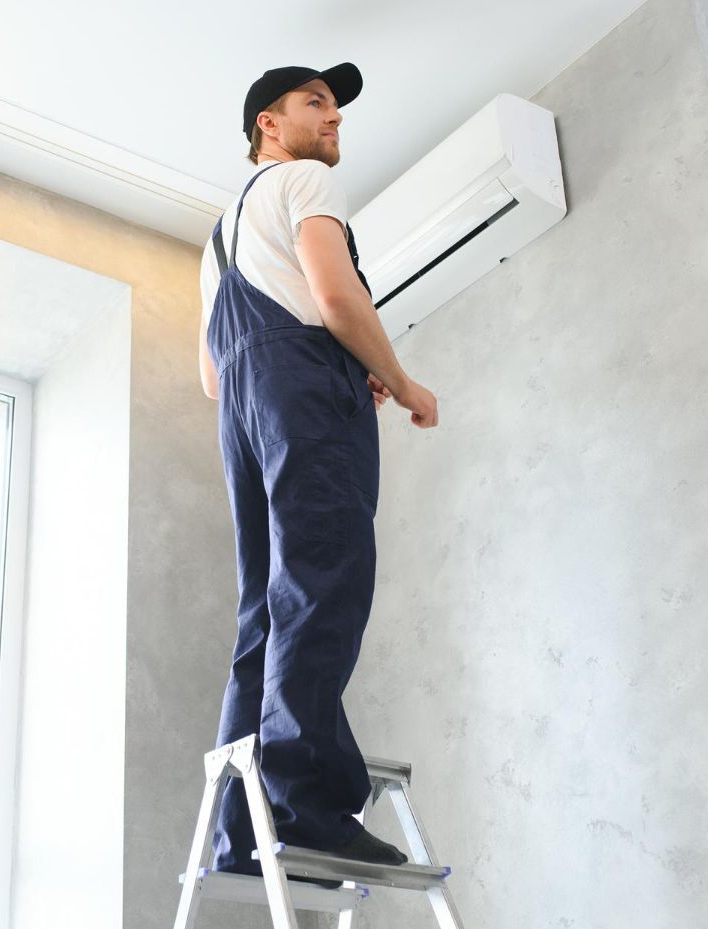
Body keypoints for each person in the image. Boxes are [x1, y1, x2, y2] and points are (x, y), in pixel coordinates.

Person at [197, 62, 440, 886]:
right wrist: (399, 380)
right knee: (324, 578)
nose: (334, 118)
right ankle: (307, 806)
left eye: (335, 107)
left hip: (247, 404)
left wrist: (308, 365)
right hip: (301, 388)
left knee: (266, 609)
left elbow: (211, 378)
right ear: (269, 124)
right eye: (316, 103)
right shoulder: (305, 181)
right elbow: (335, 299)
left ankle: (243, 831)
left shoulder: (217, 239)